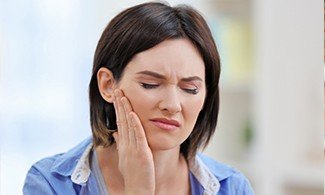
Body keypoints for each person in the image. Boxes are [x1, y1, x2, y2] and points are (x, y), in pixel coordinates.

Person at [23, 2, 254, 195]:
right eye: (150, 84)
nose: (172, 105)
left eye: (190, 89)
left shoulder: (232, 188)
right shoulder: (50, 184)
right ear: (107, 85)